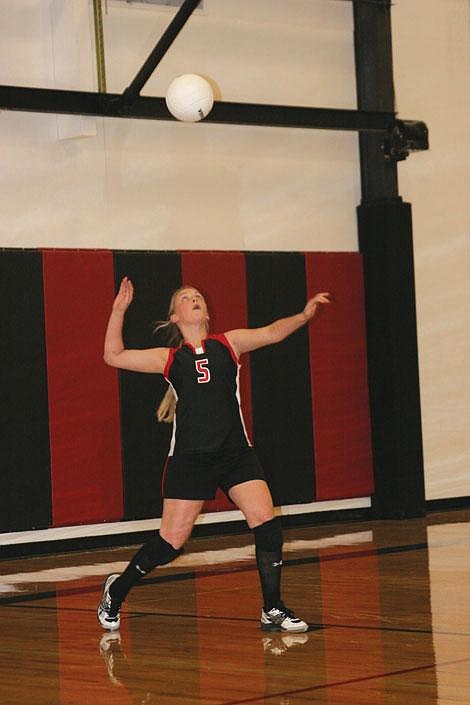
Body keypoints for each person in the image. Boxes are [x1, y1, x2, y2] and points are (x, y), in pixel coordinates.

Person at [98, 277, 330, 633]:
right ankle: (118, 589)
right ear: (175, 317)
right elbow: (112, 356)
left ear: (206, 314)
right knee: (171, 543)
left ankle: (272, 608)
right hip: (191, 459)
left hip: (236, 453)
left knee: (267, 524)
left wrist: (303, 315)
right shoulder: (169, 358)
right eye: (186, 298)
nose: (194, 299)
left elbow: (272, 332)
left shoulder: (229, 343)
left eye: (199, 297)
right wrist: (118, 311)